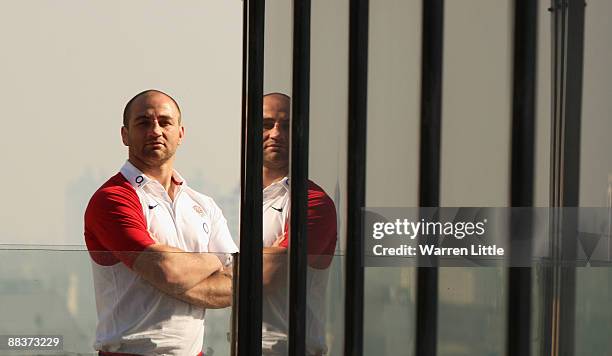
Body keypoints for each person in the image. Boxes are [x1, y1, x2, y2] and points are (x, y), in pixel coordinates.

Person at [84, 89, 237, 356]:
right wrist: (214, 259)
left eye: (165, 122)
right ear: (124, 135)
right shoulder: (112, 199)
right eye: (143, 122)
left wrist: (174, 278)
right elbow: (167, 271)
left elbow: (237, 284)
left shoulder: (203, 205)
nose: (155, 130)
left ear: (181, 133)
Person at [260, 93, 338, 356]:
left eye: (287, 126)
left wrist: (198, 271)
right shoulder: (239, 203)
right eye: (266, 124)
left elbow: (270, 273)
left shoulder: (312, 201)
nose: (276, 134)